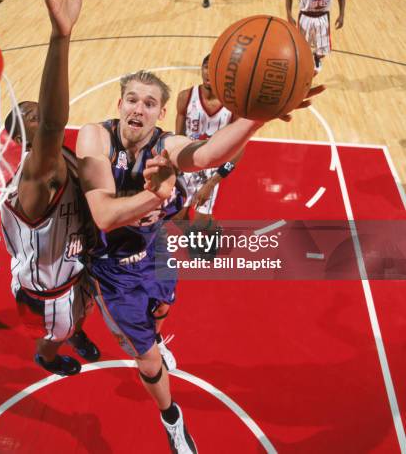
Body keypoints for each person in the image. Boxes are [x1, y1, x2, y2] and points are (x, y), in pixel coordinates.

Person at [77, 69, 323, 453]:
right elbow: (105, 215)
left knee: (162, 308)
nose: (138, 108)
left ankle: (155, 331)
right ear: (119, 104)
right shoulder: (95, 136)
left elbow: (207, 154)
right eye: (132, 99)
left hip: (154, 248)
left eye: (149, 103)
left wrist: (257, 117)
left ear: (159, 113)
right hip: (113, 273)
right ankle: (172, 418)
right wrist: (158, 196)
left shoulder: (166, 142)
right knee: (149, 361)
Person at [0, 0, 100, 377]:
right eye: (29, 116)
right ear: (24, 139)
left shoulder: (64, 161)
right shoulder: (37, 178)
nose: (36, 112)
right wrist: (61, 36)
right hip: (46, 290)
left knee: (84, 309)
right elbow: (55, 124)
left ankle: (75, 328)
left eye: (35, 108)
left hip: (74, 268)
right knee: (53, 332)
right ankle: (47, 356)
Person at [175, 54, 240, 231]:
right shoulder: (185, 97)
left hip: (212, 171)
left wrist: (212, 183)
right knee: (177, 216)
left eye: (215, 70)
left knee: (201, 223)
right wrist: (173, 171)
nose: (209, 73)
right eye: (206, 67)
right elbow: (178, 139)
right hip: (187, 165)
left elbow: (237, 151)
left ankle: (214, 230)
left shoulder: (234, 106)